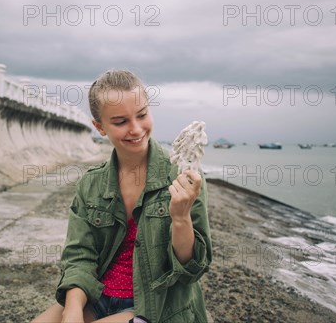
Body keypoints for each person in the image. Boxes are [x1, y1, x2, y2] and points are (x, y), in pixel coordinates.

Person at [31, 70, 212, 323]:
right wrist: (71, 311)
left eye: (142, 115)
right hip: (98, 296)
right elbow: (79, 254)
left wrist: (180, 217)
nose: (136, 129)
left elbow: (193, 269)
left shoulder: (184, 177)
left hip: (156, 306)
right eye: (120, 122)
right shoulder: (91, 184)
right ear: (100, 127)